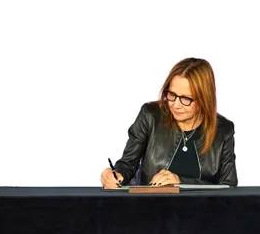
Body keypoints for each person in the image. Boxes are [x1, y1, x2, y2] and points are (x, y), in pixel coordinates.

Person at [101, 58, 238, 188]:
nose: (176, 105)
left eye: (186, 98)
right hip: (150, 208)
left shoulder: (223, 130)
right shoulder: (151, 115)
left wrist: (181, 182)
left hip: (202, 210)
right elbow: (127, 164)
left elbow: (228, 186)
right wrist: (116, 175)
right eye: (171, 95)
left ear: (204, 99)